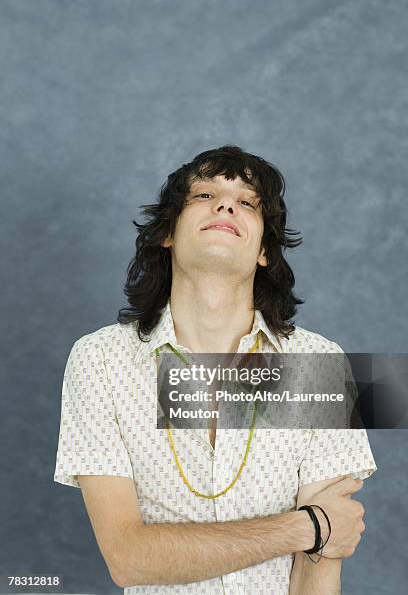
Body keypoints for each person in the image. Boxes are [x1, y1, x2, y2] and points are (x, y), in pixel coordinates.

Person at [54, 144, 377, 594]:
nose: (226, 204)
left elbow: (321, 564)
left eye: (247, 202)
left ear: (265, 249)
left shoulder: (320, 364)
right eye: (204, 195)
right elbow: (128, 558)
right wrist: (306, 528)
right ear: (168, 233)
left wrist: (320, 531)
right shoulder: (100, 360)